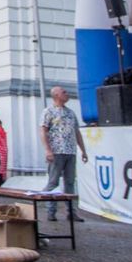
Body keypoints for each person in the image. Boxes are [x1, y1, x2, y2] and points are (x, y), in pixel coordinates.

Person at [40, 85, 88, 222]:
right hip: (56, 151)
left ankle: (71, 212)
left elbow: (76, 132)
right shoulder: (48, 112)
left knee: (70, 183)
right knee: (53, 182)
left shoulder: (71, 113)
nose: (67, 94)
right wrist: (48, 150)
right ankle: (50, 210)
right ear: (56, 95)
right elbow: (43, 131)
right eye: (64, 92)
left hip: (70, 151)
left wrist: (83, 150)